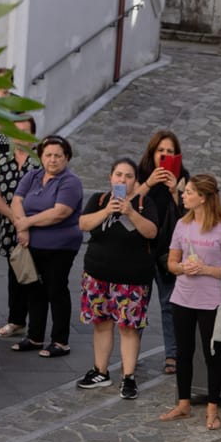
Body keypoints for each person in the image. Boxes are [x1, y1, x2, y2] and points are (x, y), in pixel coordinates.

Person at [74, 155, 170, 399]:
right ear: (111, 177)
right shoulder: (99, 199)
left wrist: (131, 212)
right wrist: (107, 210)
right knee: (101, 324)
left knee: (128, 328)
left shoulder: (143, 203)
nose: (122, 180)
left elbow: (152, 232)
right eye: (118, 175)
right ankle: (100, 371)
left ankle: (128, 377)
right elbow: (83, 224)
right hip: (97, 274)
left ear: (135, 181)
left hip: (131, 279)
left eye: (128, 176)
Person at [159, 174, 221, 429]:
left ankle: (212, 409)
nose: (183, 195)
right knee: (183, 353)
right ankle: (183, 404)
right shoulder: (182, 225)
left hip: (211, 301)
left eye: (189, 192)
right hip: (182, 298)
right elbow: (171, 263)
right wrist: (182, 268)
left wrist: (207, 270)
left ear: (202, 197)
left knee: (212, 354)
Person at [10, 135, 83, 357]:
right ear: (41, 156)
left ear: (67, 158)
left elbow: (59, 212)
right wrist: (22, 228)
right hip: (31, 243)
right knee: (34, 290)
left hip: (60, 246)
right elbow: (16, 201)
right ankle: (35, 337)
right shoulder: (32, 175)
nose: (52, 159)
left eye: (58, 156)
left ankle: (60, 341)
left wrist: (27, 222)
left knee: (56, 290)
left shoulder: (70, 181)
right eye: (48, 155)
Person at [134, 129, 188, 376]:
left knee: (169, 304)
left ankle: (172, 354)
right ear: (152, 152)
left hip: (168, 251)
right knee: (138, 303)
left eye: (170, 152)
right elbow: (129, 203)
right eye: (161, 151)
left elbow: (187, 215)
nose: (164, 156)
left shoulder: (183, 177)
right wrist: (149, 183)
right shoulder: (141, 174)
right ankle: (131, 352)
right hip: (142, 250)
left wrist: (175, 191)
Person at [0, 116, 40, 340]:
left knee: (36, 277)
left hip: (37, 228)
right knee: (15, 273)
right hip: (11, 227)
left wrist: (26, 222)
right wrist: (14, 218)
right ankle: (16, 320)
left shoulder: (40, 162)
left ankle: (37, 326)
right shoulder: (3, 159)